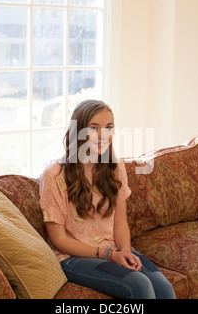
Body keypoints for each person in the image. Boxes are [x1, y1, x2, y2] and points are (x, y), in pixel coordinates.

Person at [38, 100, 176, 299]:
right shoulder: (54, 175)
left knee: (164, 289)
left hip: (112, 249)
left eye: (109, 128)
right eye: (94, 128)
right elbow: (59, 240)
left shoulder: (115, 168)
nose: (103, 136)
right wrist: (108, 255)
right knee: (139, 284)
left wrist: (126, 252)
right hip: (72, 258)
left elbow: (120, 223)